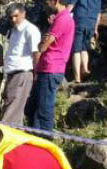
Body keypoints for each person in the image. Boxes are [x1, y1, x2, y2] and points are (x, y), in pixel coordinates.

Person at [26, 0, 75, 132]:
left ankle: (44, 142)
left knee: (43, 111)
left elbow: (42, 46)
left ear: (55, 1)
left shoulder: (63, 19)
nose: (44, 7)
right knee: (32, 109)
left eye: (46, 3)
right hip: (46, 68)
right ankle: (35, 141)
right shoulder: (60, 19)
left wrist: (43, 42)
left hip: (51, 69)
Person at [0, 3, 42, 125]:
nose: (13, 20)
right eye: (10, 17)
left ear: (23, 14)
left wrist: (35, 73)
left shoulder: (30, 30)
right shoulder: (14, 31)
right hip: (12, 73)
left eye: (16, 16)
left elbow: (36, 53)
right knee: (11, 109)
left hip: (22, 73)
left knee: (11, 113)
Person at [67, 0, 102, 83]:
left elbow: (70, 6)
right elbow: (99, 14)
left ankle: (77, 78)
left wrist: (61, 16)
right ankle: (85, 68)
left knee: (76, 50)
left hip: (79, 20)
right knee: (84, 48)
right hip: (91, 23)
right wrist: (96, 29)